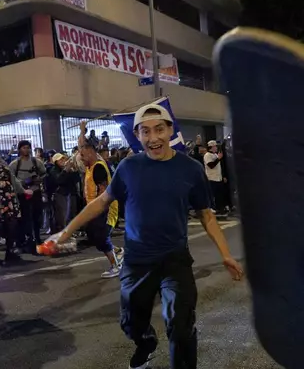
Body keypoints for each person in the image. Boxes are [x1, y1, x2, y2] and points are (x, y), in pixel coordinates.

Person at [49, 104, 243, 369]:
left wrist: (226, 254)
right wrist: (66, 230)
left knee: (181, 324)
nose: (153, 138)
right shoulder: (128, 167)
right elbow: (102, 201)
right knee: (132, 322)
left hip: (175, 260)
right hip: (137, 261)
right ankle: (146, 343)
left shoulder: (191, 169)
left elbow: (206, 215)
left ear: (170, 130)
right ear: (137, 135)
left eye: (159, 130)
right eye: (146, 131)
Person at [77, 122, 124, 278]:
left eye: (83, 154)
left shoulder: (98, 167)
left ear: (91, 153)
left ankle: (115, 265)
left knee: (101, 237)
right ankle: (117, 251)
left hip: (104, 209)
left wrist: (97, 210)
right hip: (95, 208)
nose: (80, 158)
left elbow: (103, 192)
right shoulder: (91, 166)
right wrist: (81, 132)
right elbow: (83, 146)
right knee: (95, 236)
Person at [9, 140, 46, 252]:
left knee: (37, 217)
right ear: (20, 149)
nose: (26, 150)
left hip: (35, 193)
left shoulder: (36, 162)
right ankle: (27, 239)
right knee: (25, 218)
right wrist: (23, 183)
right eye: (24, 147)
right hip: (22, 194)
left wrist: (38, 180)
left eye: (28, 147)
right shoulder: (15, 164)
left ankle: (37, 238)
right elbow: (11, 178)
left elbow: (44, 173)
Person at [48, 153, 81, 233]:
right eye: (61, 159)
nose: (63, 161)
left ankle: (69, 233)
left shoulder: (68, 169)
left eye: (64, 159)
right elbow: (59, 180)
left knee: (71, 215)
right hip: (60, 195)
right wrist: (66, 170)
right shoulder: (53, 170)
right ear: (56, 161)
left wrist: (75, 170)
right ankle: (61, 234)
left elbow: (76, 180)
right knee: (62, 217)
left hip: (70, 194)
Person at [204, 140, 228, 214]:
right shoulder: (207, 155)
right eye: (215, 146)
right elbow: (211, 165)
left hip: (218, 178)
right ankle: (213, 208)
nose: (216, 148)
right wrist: (218, 159)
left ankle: (220, 208)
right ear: (211, 147)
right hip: (212, 179)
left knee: (219, 195)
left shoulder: (215, 155)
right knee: (213, 195)